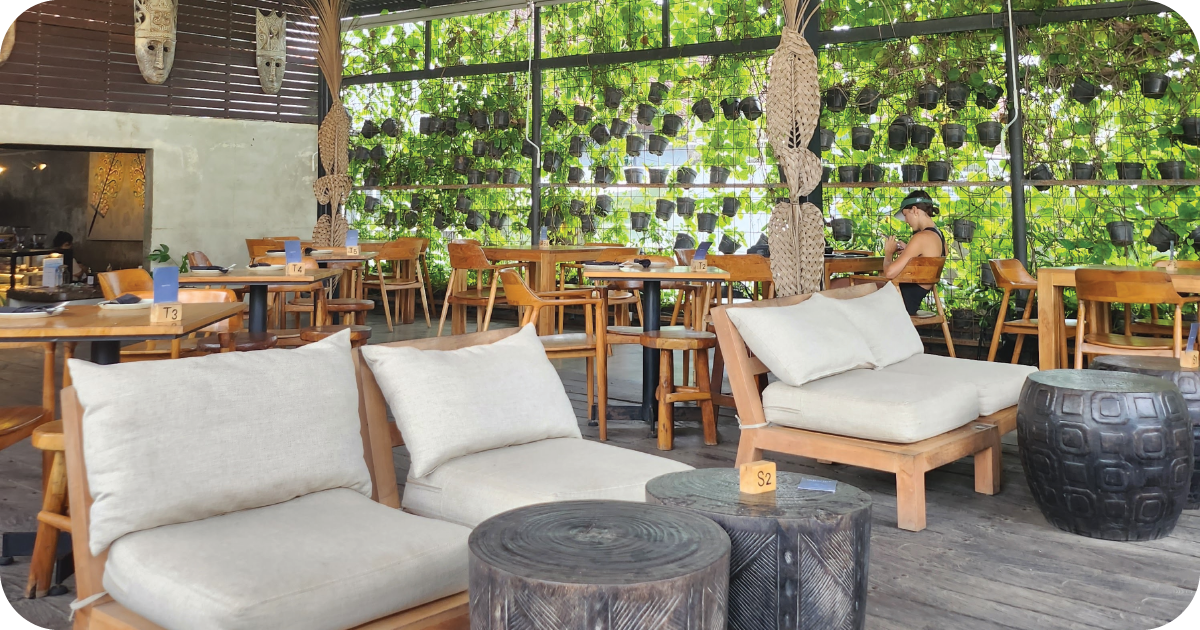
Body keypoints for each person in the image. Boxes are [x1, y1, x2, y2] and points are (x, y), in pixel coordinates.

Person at [882, 191, 946, 315]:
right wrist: (910, 251)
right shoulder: (939, 236)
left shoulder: (921, 237)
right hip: (913, 300)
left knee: (847, 285)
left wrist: (888, 253)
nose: (906, 221)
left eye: (906, 215)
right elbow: (929, 259)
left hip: (900, 302)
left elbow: (889, 273)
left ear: (915, 210)